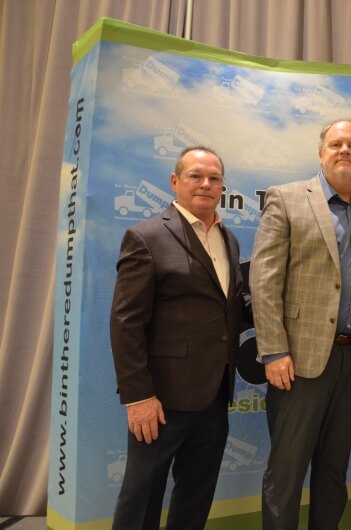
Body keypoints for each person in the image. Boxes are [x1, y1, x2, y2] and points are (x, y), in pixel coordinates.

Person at [250, 118, 351, 530]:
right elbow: (263, 281)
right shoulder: (287, 198)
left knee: (334, 470)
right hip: (299, 361)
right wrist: (274, 350)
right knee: (287, 471)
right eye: (336, 144)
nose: (344, 150)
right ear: (321, 152)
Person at [109, 146, 243, 530]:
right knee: (142, 496)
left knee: (196, 494)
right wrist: (138, 397)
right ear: (175, 181)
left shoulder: (229, 239)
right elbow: (125, 322)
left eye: (214, 178)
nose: (205, 184)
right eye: (195, 176)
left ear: (222, 187)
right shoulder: (146, 236)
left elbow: (230, 307)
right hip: (160, 400)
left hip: (215, 395)